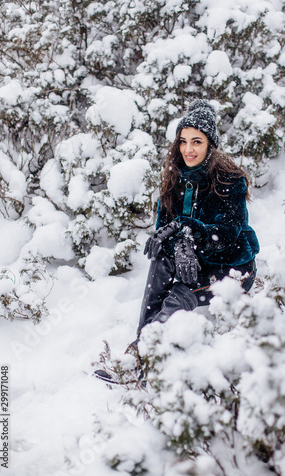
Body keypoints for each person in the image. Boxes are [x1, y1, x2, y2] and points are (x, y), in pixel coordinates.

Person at [94, 99, 259, 384]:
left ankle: (141, 356)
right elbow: (165, 229)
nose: (188, 149)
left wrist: (189, 233)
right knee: (160, 260)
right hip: (197, 262)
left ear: (210, 145)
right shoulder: (175, 180)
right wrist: (171, 242)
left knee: (181, 291)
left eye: (197, 141)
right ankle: (140, 352)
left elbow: (228, 234)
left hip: (233, 270)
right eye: (183, 141)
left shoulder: (230, 180)